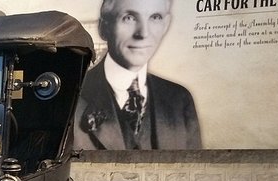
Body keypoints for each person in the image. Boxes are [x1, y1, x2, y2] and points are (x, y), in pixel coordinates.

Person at [74, 0, 200, 150]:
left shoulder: (180, 99)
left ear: (166, 25)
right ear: (104, 27)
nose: (143, 33)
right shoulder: (72, 96)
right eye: (129, 18)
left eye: (155, 17)